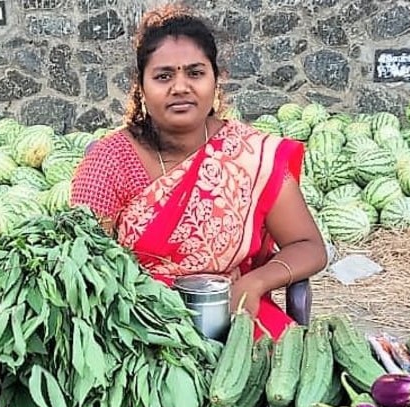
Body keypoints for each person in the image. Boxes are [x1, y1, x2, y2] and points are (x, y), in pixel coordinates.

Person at [70, 5, 327, 340]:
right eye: (163, 76)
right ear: (142, 87)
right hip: (137, 329)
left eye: (195, 73)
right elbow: (80, 262)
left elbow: (307, 245)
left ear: (215, 80)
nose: (180, 87)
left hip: (235, 320)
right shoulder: (110, 160)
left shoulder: (248, 155)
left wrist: (256, 282)